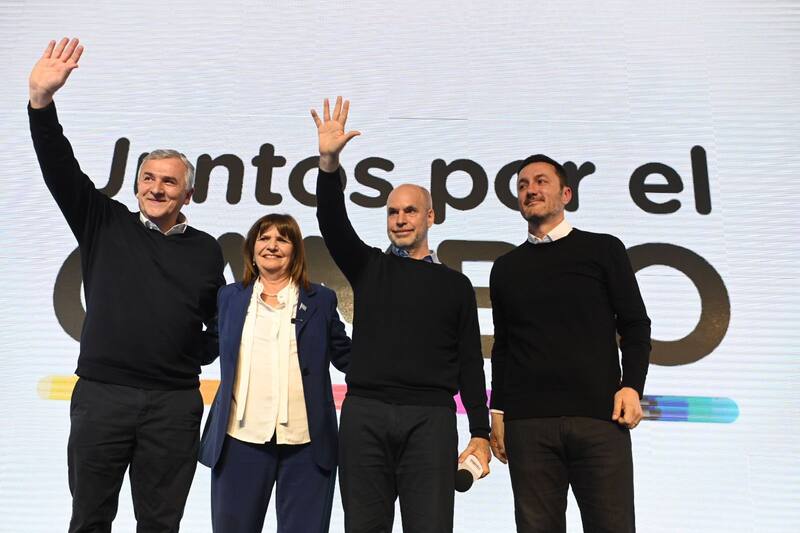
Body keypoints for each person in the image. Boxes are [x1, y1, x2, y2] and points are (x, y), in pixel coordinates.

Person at [28, 38, 225, 533]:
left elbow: (222, 321)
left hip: (174, 404)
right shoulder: (103, 221)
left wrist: (192, 352)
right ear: (137, 184)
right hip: (102, 397)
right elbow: (59, 167)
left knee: (161, 523)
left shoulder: (206, 248)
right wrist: (41, 102)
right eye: (148, 178)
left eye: (169, 182)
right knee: (90, 518)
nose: (156, 188)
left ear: (189, 192)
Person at [310, 96, 491, 533]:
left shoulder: (455, 285)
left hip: (429, 419)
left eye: (410, 210)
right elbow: (332, 222)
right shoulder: (371, 267)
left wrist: (481, 432)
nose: (400, 219)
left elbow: (469, 361)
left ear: (431, 216)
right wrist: (329, 164)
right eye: (392, 211)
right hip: (365, 416)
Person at [488, 154, 652, 532]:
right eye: (523, 185)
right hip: (529, 424)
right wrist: (499, 413)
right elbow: (504, 346)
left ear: (566, 193)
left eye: (541, 182)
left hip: (599, 419)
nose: (531, 190)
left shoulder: (603, 249)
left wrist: (632, 386)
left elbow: (635, 324)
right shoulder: (506, 267)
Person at [199, 213, 351, 533]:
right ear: (252, 249)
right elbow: (206, 346)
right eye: (264, 238)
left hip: (307, 445)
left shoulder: (321, 300)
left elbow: (346, 356)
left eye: (282, 239)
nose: (272, 245)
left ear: (295, 250)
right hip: (240, 439)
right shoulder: (229, 298)